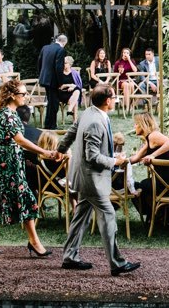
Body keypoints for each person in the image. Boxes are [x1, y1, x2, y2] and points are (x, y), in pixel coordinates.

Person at [58, 84, 140, 276]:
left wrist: (59, 150)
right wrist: (116, 161)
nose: (115, 99)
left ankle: (69, 256)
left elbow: (71, 131)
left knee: (80, 218)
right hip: (92, 179)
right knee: (109, 216)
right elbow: (92, 156)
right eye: (113, 96)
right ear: (107, 101)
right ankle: (117, 263)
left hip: (83, 176)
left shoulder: (88, 112)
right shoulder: (95, 121)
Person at [0, 79, 58, 256]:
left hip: (9, 162)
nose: (26, 96)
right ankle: (34, 242)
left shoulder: (10, 113)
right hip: (7, 164)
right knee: (25, 198)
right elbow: (19, 139)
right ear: (12, 95)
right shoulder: (7, 115)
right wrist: (44, 152)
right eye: (23, 94)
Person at [128, 112, 169, 230]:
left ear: (143, 124)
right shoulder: (148, 141)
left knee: (142, 185)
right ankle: (165, 218)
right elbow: (134, 159)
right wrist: (116, 160)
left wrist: (153, 155)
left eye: (136, 124)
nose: (134, 127)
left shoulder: (154, 135)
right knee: (147, 184)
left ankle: (156, 217)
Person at [38, 34, 68, 130]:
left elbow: (39, 62)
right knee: (54, 103)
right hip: (53, 80)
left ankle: (49, 124)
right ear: (64, 42)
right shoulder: (60, 50)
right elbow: (59, 67)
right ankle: (51, 125)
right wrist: (61, 82)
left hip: (45, 78)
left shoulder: (45, 48)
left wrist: (41, 75)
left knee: (51, 102)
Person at [58, 56, 84, 122]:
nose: (63, 64)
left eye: (65, 63)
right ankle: (74, 120)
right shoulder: (59, 73)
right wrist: (68, 85)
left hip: (72, 93)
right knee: (75, 100)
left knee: (77, 90)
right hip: (61, 93)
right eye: (63, 63)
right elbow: (59, 86)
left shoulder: (74, 73)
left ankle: (71, 112)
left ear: (70, 64)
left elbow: (79, 85)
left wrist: (73, 87)